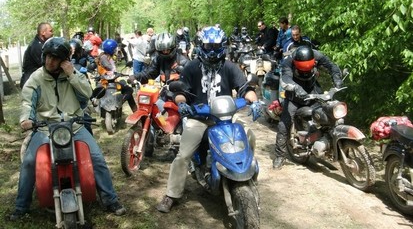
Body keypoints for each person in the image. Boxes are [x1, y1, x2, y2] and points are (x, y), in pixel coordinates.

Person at [10, 37, 126, 220]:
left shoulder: (74, 74)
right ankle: (20, 207)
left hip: (75, 126)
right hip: (45, 129)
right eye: (48, 56)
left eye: (55, 58)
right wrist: (26, 119)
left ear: (64, 60)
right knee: (29, 163)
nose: (50, 61)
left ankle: (110, 199)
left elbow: (88, 94)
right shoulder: (37, 78)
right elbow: (27, 102)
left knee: (97, 159)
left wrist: (72, 75)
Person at [156, 26, 262, 213]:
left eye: (216, 45)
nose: (212, 50)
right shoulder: (191, 67)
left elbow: (245, 88)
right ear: (201, 46)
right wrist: (181, 104)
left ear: (222, 45)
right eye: (208, 45)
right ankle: (171, 194)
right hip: (199, 118)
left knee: (248, 138)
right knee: (183, 155)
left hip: (226, 118)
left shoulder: (230, 67)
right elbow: (181, 92)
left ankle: (247, 176)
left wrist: (255, 102)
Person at [272, 45, 343, 169]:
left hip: (313, 93)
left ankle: (330, 145)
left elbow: (331, 66)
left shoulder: (317, 55)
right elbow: (286, 79)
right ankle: (280, 156)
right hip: (295, 97)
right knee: (284, 125)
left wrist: (337, 79)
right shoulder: (288, 62)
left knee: (328, 116)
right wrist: (295, 88)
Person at [91, 39, 137, 112]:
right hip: (107, 82)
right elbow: (111, 69)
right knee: (129, 90)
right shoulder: (104, 58)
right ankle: (125, 104)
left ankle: (124, 105)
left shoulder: (105, 56)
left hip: (108, 81)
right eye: (115, 48)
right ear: (111, 49)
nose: (116, 50)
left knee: (126, 86)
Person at [20, 22, 54, 88]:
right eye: (50, 31)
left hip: (35, 80)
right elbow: (45, 65)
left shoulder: (42, 44)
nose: (52, 33)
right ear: (43, 33)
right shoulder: (36, 46)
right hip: (30, 83)